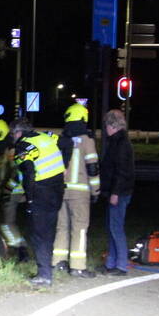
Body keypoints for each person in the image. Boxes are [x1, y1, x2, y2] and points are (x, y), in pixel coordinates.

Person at [10, 118, 66, 286]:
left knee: (38, 235)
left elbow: (28, 172)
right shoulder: (46, 137)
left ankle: (44, 275)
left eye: (12, 134)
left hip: (41, 192)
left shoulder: (23, 145)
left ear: (18, 132)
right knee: (48, 233)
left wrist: (29, 198)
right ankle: (47, 270)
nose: (12, 138)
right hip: (57, 190)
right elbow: (66, 144)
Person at [52, 103, 100, 278]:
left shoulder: (60, 140)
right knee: (79, 228)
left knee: (61, 228)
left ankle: (58, 263)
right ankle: (78, 267)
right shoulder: (87, 141)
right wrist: (96, 191)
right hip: (80, 193)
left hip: (61, 191)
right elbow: (93, 168)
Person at [0, 119, 28, 262]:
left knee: (7, 224)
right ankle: (10, 250)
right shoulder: (3, 152)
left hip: (12, 192)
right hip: (6, 192)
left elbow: (16, 172)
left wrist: (7, 191)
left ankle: (20, 250)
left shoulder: (10, 151)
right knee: (3, 223)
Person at [99, 108, 135, 276]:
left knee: (116, 228)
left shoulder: (120, 144)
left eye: (106, 125)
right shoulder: (118, 142)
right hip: (117, 191)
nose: (105, 128)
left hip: (118, 193)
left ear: (112, 125)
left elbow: (121, 171)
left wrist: (115, 193)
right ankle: (112, 263)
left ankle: (120, 265)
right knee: (112, 227)